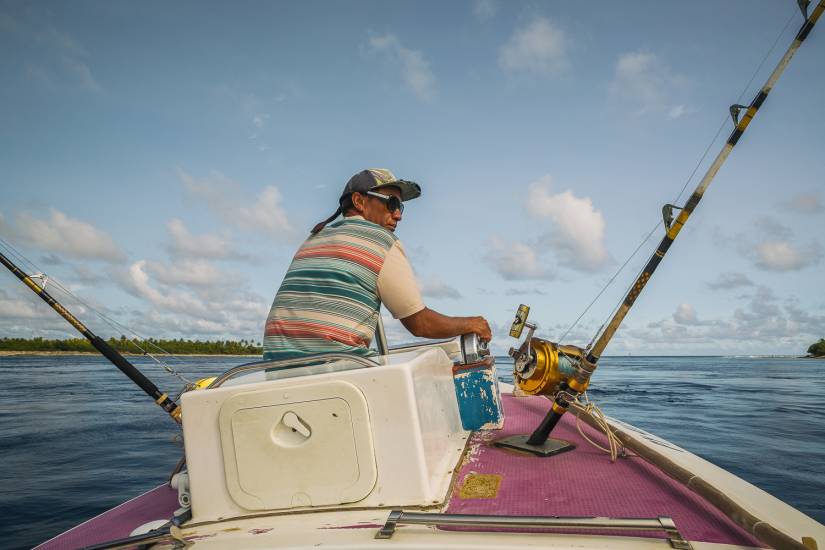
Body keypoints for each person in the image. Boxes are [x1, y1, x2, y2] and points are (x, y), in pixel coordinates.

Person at [262, 168, 491, 361]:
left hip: (273, 369)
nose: (398, 215)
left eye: (401, 207)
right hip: (338, 370)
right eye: (392, 203)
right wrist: (472, 324)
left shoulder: (313, 238)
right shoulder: (381, 241)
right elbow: (420, 324)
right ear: (360, 201)